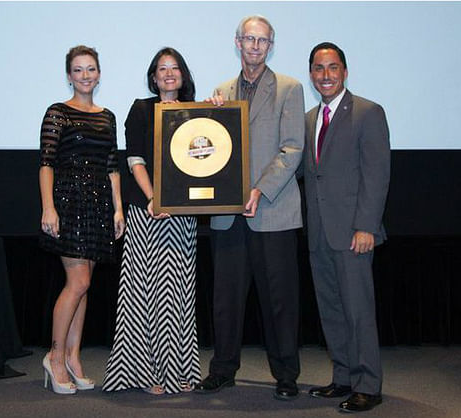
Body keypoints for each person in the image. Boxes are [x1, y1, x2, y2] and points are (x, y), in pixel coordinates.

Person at [194, 15, 305, 400]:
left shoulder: (290, 88)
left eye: (262, 41)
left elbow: (292, 148)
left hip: (273, 211)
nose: (255, 46)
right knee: (225, 300)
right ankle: (223, 370)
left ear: (270, 46)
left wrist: (260, 190)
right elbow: (211, 151)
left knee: (279, 300)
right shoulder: (220, 91)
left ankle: (286, 374)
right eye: (249, 39)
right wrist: (209, 115)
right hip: (227, 216)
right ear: (237, 43)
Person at [103, 47, 200, 395]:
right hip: (148, 210)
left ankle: (179, 369)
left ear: (183, 75)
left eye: (175, 68)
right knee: (143, 294)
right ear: (154, 77)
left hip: (182, 216)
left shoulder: (195, 113)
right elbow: (135, 159)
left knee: (177, 294)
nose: (169, 74)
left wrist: (220, 111)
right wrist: (152, 197)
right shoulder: (142, 109)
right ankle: (145, 374)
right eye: (162, 69)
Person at [301, 42, 390, 412]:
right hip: (319, 233)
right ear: (311, 74)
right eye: (319, 69)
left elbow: (377, 174)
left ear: (345, 71)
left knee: (358, 311)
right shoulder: (308, 119)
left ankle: (368, 384)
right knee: (332, 310)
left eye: (332, 68)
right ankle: (343, 377)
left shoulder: (368, 112)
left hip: (354, 233)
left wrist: (366, 226)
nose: (325, 75)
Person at [39, 45, 125, 394]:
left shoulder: (107, 116)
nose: (85, 75)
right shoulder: (58, 112)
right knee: (77, 283)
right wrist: (48, 207)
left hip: (99, 206)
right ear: (69, 75)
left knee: (85, 283)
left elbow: (111, 166)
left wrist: (118, 208)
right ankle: (55, 357)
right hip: (67, 203)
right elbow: (46, 162)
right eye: (78, 70)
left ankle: (73, 357)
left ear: (99, 74)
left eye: (91, 69)